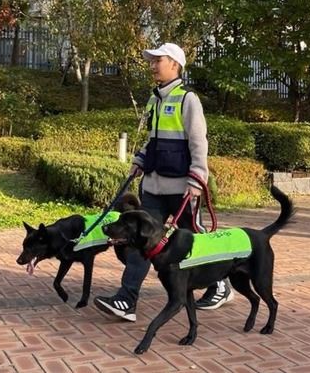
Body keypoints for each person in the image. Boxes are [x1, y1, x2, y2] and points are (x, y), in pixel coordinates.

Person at [94, 42, 233, 322]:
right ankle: (126, 299)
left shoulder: (187, 98)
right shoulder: (154, 99)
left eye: (159, 60)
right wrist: (140, 160)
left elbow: (198, 142)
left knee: (197, 240)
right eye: (152, 60)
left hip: (182, 189)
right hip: (154, 187)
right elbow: (153, 140)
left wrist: (197, 177)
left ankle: (220, 283)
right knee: (138, 241)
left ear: (175, 64)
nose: (153, 65)